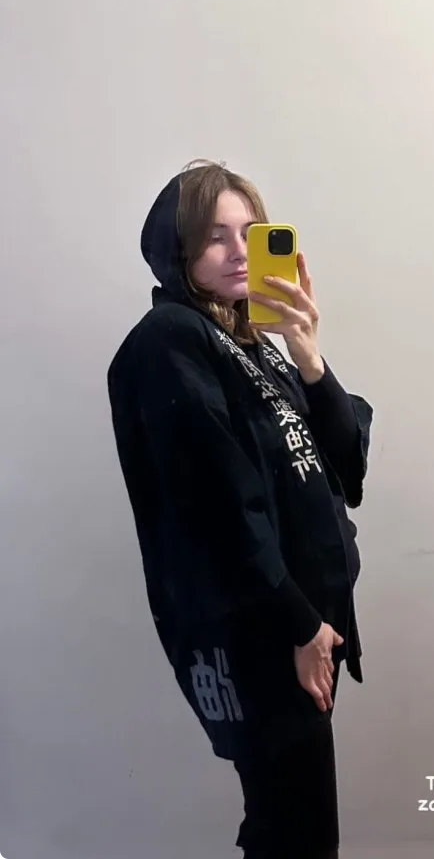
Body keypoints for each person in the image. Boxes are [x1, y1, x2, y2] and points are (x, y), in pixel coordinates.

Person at [107, 160, 373, 859]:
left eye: (250, 232)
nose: (238, 251)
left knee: (287, 822)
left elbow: (346, 466)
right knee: (298, 830)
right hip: (265, 634)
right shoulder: (171, 340)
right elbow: (216, 504)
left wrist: (309, 356)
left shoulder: (255, 347)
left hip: (305, 628)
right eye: (215, 236)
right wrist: (301, 625)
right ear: (178, 249)